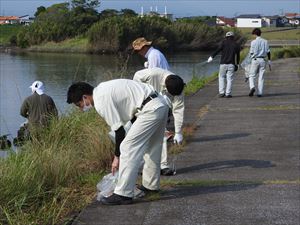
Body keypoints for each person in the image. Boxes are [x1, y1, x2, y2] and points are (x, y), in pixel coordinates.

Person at [67, 79, 169, 205]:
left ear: (85, 97)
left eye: (79, 104)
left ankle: (123, 194)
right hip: (160, 104)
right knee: (152, 147)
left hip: (150, 109)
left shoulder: (101, 100)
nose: (81, 109)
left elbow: (119, 132)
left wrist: (116, 157)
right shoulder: (103, 88)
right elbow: (130, 118)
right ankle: (151, 187)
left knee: (127, 147)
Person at [133, 67, 185, 176]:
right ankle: (142, 166)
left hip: (161, 108)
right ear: (166, 87)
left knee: (162, 134)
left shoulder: (178, 86)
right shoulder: (152, 74)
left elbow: (178, 110)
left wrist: (178, 132)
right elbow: (137, 76)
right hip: (143, 106)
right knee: (142, 137)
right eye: (172, 95)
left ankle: (163, 165)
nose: (174, 97)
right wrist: (142, 93)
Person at [207, 31, 240, 98]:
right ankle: (228, 94)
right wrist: (238, 64)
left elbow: (217, 50)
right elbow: (238, 55)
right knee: (229, 79)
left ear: (226, 37)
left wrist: (211, 57)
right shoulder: (236, 44)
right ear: (233, 37)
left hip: (223, 64)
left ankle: (221, 93)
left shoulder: (223, 43)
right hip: (231, 64)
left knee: (221, 78)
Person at [248, 28, 271, 97]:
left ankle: (252, 87)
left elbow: (251, 53)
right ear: (260, 33)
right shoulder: (265, 41)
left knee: (251, 76)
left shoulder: (253, 42)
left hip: (255, 60)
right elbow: (268, 52)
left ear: (255, 34)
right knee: (261, 77)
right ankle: (260, 93)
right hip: (263, 60)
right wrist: (269, 61)